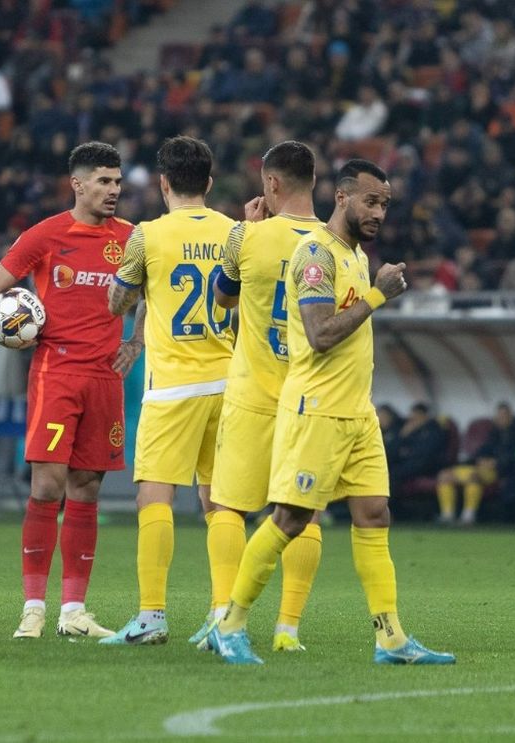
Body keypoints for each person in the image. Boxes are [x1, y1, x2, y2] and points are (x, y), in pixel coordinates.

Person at [209, 159, 454, 665]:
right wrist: (377, 296)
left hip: (356, 413)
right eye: (370, 201)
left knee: (374, 514)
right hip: (316, 409)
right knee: (291, 518)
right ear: (341, 197)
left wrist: (371, 290)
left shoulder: (356, 254)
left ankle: (390, 638)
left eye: (385, 204)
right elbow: (320, 335)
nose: (379, 212)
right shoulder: (316, 254)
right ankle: (229, 623)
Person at [0, 142, 139, 640]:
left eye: (118, 182)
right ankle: (33, 608)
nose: (114, 191)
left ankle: (74, 612)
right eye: (104, 181)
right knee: (47, 487)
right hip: (55, 374)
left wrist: (137, 340)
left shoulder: (130, 239)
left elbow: (149, 291)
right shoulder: (46, 235)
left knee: (88, 488)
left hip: (105, 378)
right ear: (77, 185)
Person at [99, 136, 235, 646]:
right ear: (209, 183)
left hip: (173, 386)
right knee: (220, 502)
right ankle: (224, 618)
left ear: (163, 183)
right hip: (228, 382)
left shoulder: (146, 236)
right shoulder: (234, 232)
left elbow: (117, 301)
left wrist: (130, 290)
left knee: (154, 495)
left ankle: (152, 616)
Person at [202, 141, 326, 653]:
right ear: (314, 182)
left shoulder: (245, 237)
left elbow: (223, 299)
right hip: (311, 399)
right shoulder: (338, 244)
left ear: (271, 183)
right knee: (305, 513)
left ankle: (223, 618)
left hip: (253, 392)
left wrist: (249, 231)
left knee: (226, 506)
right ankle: (288, 629)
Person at [436, 402, 515, 525]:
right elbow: (481, 451)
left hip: (502, 471)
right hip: (482, 467)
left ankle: (468, 516)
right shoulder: (494, 433)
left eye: (504, 416)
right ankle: (447, 515)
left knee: (473, 477)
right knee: (445, 475)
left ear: (511, 416)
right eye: (499, 416)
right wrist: (481, 459)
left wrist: (496, 462)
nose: (501, 419)